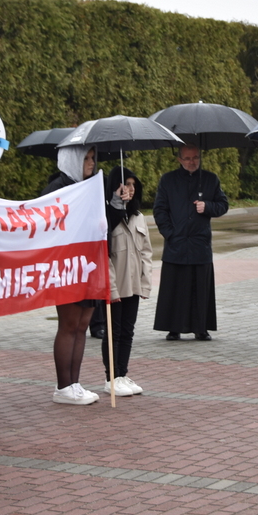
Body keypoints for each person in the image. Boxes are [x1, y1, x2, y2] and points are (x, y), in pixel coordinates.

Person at [41, 145, 100, 405]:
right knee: (69, 324)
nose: (90, 163)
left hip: (89, 264)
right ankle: (63, 385)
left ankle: (74, 383)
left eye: (92, 158)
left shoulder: (91, 187)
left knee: (82, 325)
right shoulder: (58, 187)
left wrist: (117, 204)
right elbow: (46, 223)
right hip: (66, 266)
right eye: (85, 159)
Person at [153, 146, 228, 341]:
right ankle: (173, 327)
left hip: (199, 243)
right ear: (179, 159)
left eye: (195, 158)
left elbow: (223, 205)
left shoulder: (210, 179)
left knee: (199, 288)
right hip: (176, 243)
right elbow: (160, 210)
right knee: (174, 287)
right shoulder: (168, 180)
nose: (191, 162)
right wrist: (170, 233)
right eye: (187, 158)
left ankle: (201, 328)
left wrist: (208, 206)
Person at [102, 167, 153, 397]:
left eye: (133, 185)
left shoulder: (139, 216)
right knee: (114, 331)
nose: (129, 190)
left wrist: (144, 284)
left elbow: (146, 253)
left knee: (128, 331)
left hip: (133, 285)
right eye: (125, 185)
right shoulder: (106, 216)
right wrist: (111, 288)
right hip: (115, 285)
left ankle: (122, 374)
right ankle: (111, 377)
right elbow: (104, 254)